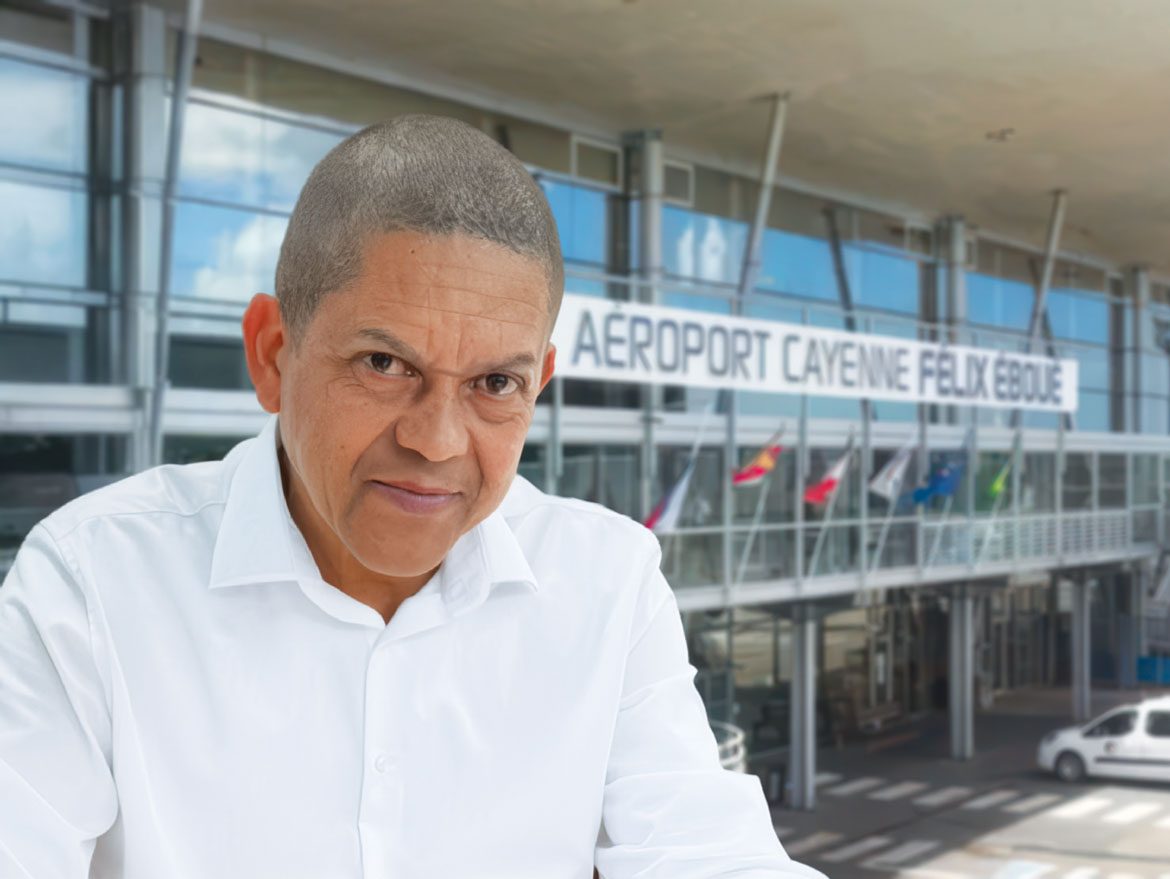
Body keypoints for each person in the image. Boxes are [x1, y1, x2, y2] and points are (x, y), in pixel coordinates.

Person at [0, 115, 824, 878]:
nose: (437, 440)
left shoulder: (609, 581)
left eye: (494, 382)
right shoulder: (91, 584)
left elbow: (709, 852)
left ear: (537, 384)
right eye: (384, 365)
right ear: (272, 354)